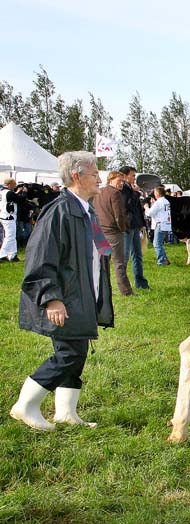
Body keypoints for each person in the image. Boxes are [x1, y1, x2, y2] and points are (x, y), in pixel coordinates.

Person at [9, 151, 113, 431]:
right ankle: (25, 405)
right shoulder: (60, 210)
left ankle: (66, 412)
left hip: (83, 294)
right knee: (68, 353)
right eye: (94, 174)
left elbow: (97, 251)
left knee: (77, 351)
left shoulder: (84, 209)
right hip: (65, 296)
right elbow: (40, 258)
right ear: (77, 176)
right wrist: (51, 298)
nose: (100, 179)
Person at [95, 171, 134, 296]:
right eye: (119, 181)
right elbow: (118, 215)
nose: (122, 183)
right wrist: (122, 229)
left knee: (102, 263)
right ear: (111, 180)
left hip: (100, 231)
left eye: (123, 181)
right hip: (113, 232)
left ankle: (102, 289)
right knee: (119, 263)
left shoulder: (99, 192)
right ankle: (126, 291)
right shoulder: (115, 193)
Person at [119, 166, 150, 289]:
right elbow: (128, 206)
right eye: (132, 175)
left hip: (135, 225)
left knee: (138, 255)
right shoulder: (122, 190)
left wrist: (142, 223)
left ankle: (140, 282)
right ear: (125, 176)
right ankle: (124, 284)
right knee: (125, 256)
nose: (134, 178)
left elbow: (137, 208)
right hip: (128, 226)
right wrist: (136, 194)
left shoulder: (131, 189)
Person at [0, 178, 28, 262]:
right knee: (10, 236)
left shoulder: (2, 192)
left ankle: (12, 255)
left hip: (4, 215)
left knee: (11, 236)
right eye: (14, 185)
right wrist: (24, 192)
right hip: (9, 216)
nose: (15, 186)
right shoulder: (9, 193)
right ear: (9, 184)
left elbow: (11, 198)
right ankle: (2, 254)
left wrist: (17, 192)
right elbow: (21, 200)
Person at [149, 186, 172, 266]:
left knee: (156, 244)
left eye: (155, 193)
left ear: (158, 193)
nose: (154, 194)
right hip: (166, 224)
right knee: (159, 243)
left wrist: (146, 207)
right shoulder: (166, 201)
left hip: (160, 224)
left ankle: (162, 260)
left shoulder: (158, 202)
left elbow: (150, 213)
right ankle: (164, 258)